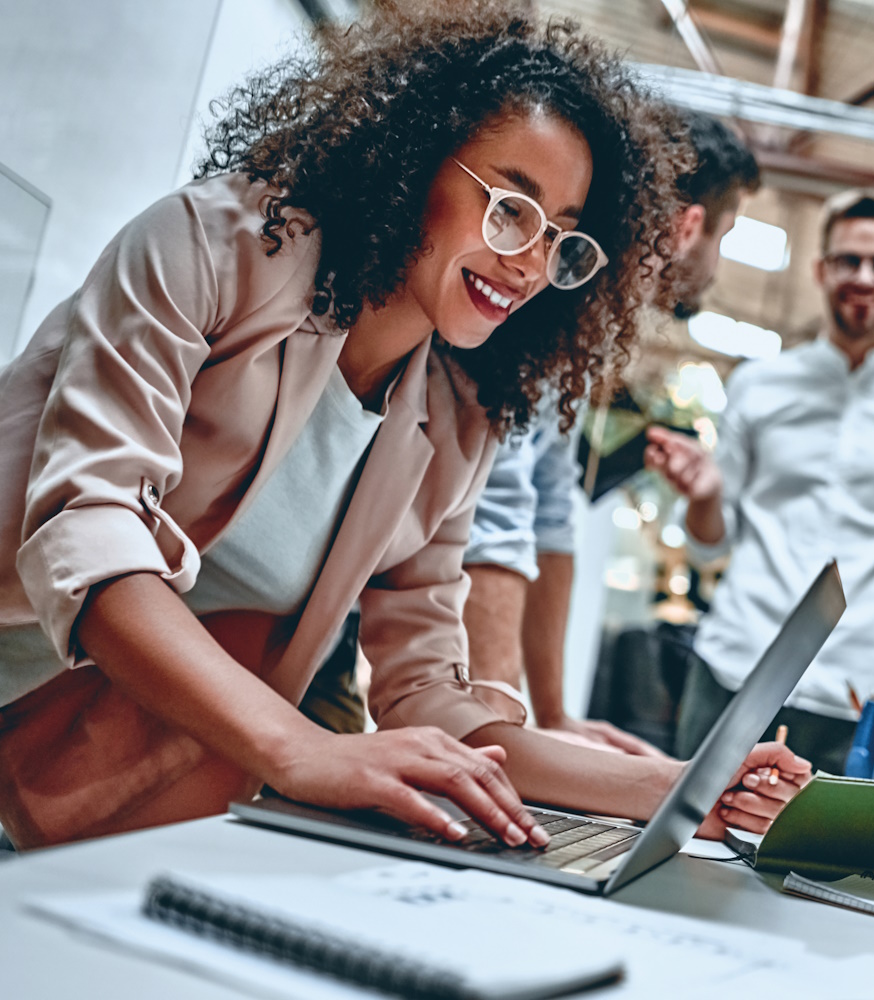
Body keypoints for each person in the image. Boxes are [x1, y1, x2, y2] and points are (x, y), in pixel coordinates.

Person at [0, 3, 807, 852]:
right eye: (510, 208)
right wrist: (303, 750)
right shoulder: (208, 249)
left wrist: (682, 787)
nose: (530, 263)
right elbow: (88, 531)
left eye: (563, 240)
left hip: (68, 778)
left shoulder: (457, 418)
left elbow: (427, 693)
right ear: (415, 158)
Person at [647, 189, 874, 775]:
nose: (864, 276)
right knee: (689, 845)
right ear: (820, 270)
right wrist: (707, 496)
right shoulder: (759, 385)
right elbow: (709, 541)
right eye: (848, 260)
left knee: (826, 865)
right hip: (738, 666)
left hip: (860, 689)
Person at [458, 111, 760, 755]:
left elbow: (550, 508)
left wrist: (552, 715)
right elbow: (500, 509)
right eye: (725, 235)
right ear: (689, 226)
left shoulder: (592, 324)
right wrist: (507, 738)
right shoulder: (555, 293)